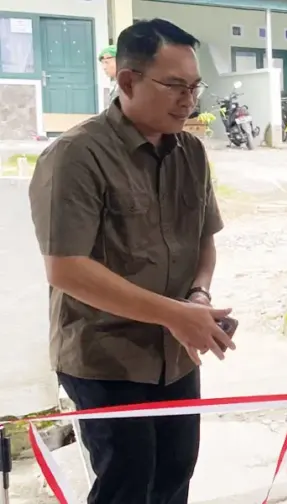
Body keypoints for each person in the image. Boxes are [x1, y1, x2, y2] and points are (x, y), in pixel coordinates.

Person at [28, 18, 231, 504]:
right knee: (127, 485)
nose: (189, 99)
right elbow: (67, 269)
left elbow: (204, 238)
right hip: (107, 357)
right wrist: (176, 314)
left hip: (176, 352)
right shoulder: (77, 155)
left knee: (175, 475)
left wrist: (198, 295)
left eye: (194, 86)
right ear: (126, 81)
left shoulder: (192, 154)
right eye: (175, 86)